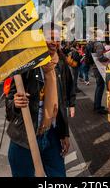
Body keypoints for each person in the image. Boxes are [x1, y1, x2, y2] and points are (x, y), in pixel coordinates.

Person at [5, 27, 76, 177]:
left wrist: (65, 134)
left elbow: (62, 103)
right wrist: (15, 103)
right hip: (24, 137)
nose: (54, 42)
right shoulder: (27, 63)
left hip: (52, 135)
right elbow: (10, 102)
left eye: (57, 39)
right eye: (50, 38)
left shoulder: (61, 64)